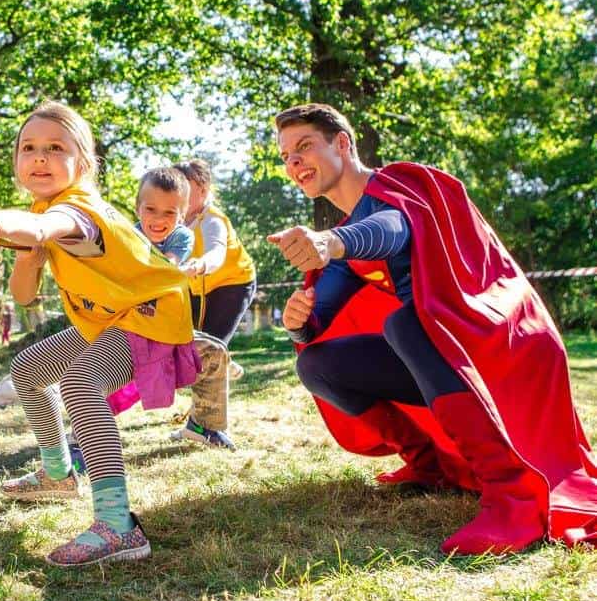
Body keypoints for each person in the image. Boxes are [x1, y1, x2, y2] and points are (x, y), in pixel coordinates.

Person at [269, 102, 597, 555]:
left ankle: (513, 494)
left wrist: (332, 242)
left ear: (342, 144)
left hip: (501, 340)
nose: (294, 162)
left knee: (407, 323)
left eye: (304, 147)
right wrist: (298, 324)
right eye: (286, 156)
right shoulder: (350, 231)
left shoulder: (401, 188)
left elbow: (393, 228)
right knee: (319, 364)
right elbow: (318, 320)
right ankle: (427, 465)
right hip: (444, 350)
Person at [0, 101, 197, 567]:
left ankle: (118, 526)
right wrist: (27, 249)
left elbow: (51, 225)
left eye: (55, 147)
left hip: (148, 322)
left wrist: (4, 222)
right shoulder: (44, 212)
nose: (40, 157)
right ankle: (58, 474)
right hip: (110, 322)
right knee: (28, 367)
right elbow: (24, 294)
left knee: (80, 382)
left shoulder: (79, 210)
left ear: (84, 163)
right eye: (29, 147)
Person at [162, 159, 256, 447]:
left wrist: (201, 264)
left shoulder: (212, 219)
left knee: (208, 351)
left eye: (184, 186)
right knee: (190, 350)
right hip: (195, 288)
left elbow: (215, 252)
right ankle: (201, 417)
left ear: (201, 189)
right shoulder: (174, 222)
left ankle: (203, 427)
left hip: (231, 284)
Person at [133, 166, 194, 263]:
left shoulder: (181, 236)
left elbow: (165, 268)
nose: (159, 219)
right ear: (137, 207)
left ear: (182, 215)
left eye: (169, 212)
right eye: (150, 209)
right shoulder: (130, 234)